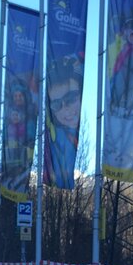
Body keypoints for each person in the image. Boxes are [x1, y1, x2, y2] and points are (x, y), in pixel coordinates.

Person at [44, 54, 84, 189]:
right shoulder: (56, 141)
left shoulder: (73, 137)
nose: (65, 110)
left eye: (71, 98)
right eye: (56, 105)